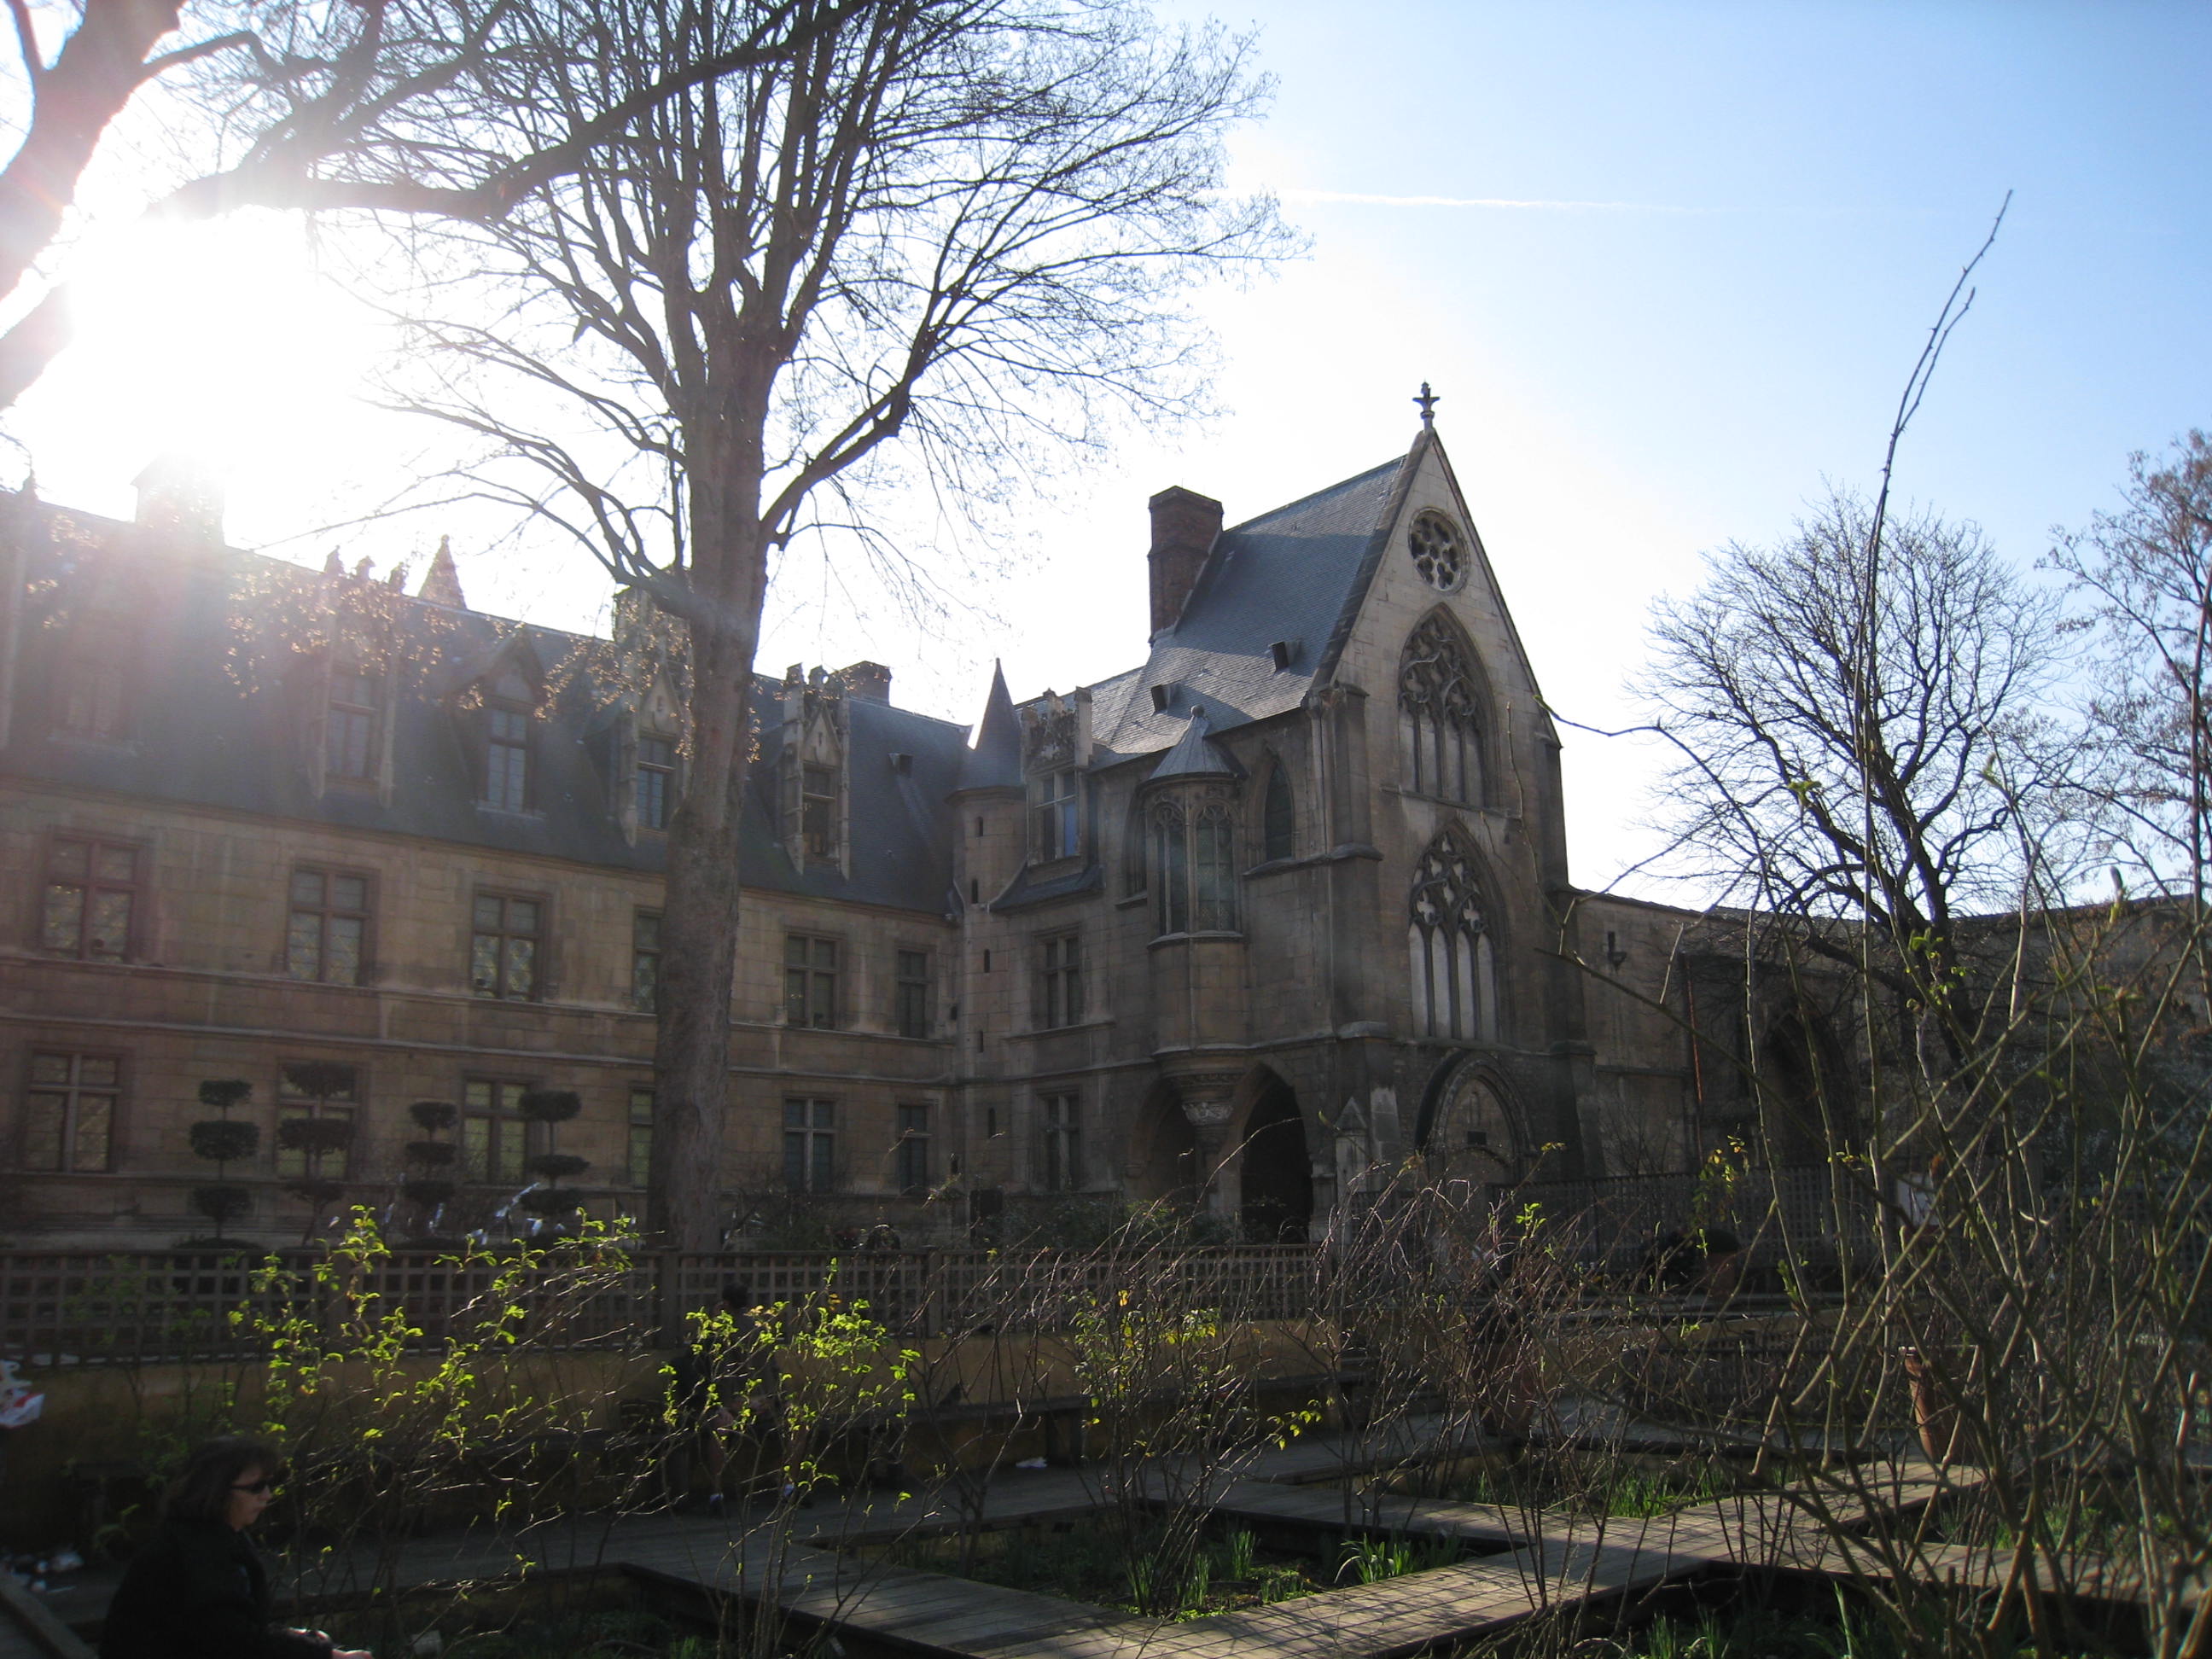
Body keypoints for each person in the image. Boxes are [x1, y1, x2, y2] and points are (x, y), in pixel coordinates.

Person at [99, 1435, 372, 1659]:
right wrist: (325, 1654)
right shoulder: (200, 1550)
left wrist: (297, 1640)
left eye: (269, 1484)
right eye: (256, 1487)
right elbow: (230, 1639)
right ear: (217, 1490)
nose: (267, 1495)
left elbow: (230, 1627)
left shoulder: (207, 1534)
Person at [670, 1283, 774, 1515]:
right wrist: (720, 1405)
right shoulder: (711, 1338)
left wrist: (764, 1399)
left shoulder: (753, 1331)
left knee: (794, 1421)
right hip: (715, 1405)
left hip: (749, 1401)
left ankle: (788, 1486)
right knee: (721, 1427)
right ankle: (716, 1493)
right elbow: (701, 1375)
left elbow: (766, 1372)